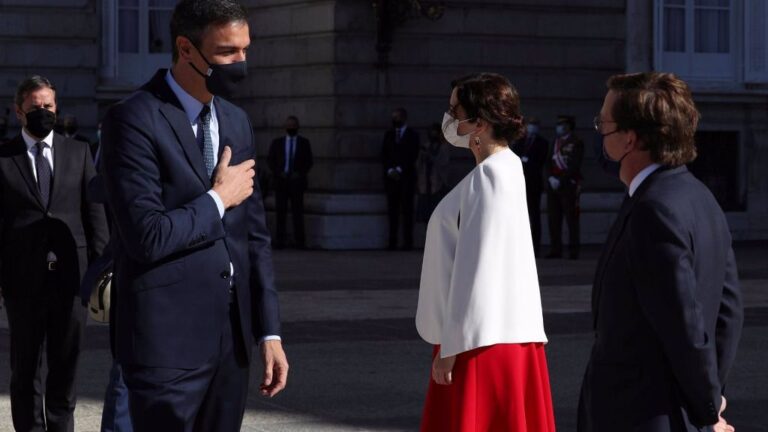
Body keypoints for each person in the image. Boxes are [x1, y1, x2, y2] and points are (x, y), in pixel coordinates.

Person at [100, 1, 288, 430]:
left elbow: (253, 238)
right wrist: (218, 199)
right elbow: (145, 235)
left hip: (231, 346)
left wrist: (269, 332)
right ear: (186, 49)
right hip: (165, 345)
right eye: (227, 52)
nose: (241, 62)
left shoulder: (236, 121)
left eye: (245, 49)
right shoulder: (131, 119)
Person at [578, 72, 744, 432]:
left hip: (642, 414)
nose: (598, 133)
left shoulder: (654, 210)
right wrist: (710, 396)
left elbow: (685, 326)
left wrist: (708, 409)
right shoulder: (700, 197)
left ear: (629, 139)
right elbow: (728, 315)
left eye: (602, 124)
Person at [416, 73, 555, 431]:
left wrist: (451, 347)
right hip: (491, 333)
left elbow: (478, 267)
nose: (448, 120)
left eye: (454, 111)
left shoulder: (491, 175)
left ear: (478, 123)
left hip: (479, 341)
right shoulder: (504, 168)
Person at [0, 75, 109, 432]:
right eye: (35, 107)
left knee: (65, 367)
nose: (43, 112)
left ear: (57, 107)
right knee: (25, 369)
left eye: (48, 106)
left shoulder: (78, 152)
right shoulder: (3, 158)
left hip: (71, 280)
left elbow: (94, 215)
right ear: (19, 111)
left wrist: (102, 271)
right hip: (23, 282)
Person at [267, 115, 313, 249]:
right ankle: (280, 240)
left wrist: (299, 173)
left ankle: (300, 241)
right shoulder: (277, 143)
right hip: (281, 182)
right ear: (285, 127)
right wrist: (278, 172)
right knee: (280, 212)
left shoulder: (304, 143)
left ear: (297, 127)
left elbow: (309, 161)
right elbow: (271, 160)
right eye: (289, 126)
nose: (291, 128)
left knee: (297, 213)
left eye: (293, 126)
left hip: (297, 182)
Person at [545, 114, 583, 259]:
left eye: (563, 124)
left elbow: (574, 165)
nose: (560, 127)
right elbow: (547, 162)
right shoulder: (554, 141)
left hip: (568, 185)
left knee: (571, 219)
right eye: (558, 124)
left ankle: (573, 250)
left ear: (569, 126)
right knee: (554, 219)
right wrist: (550, 177)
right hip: (553, 185)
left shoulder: (577, 142)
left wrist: (560, 179)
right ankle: (556, 249)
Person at [382, 107, 419, 250]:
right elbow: (384, 154)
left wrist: (399, 169)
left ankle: (408, 242)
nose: (395, 120)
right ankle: (392, 242)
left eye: (397, 117)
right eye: (393, 117)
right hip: (391, 180)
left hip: (407, 178)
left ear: (404, 118)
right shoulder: (389, 135)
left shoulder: (412, 135)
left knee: (407, 211)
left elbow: (412, 155)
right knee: (392, 211)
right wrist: (390, 169)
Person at [511, 116, 549, 256]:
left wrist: (528, 162)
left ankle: (535, 248)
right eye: (531, 124)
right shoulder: (520, 142)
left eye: (535, 124)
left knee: (534, 216)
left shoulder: (542, 143)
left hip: (533, 184)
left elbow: (540, 161)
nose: (532, 127)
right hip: (520, 184)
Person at [415, 123, 450, 222]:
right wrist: (421, 156)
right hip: (424, 186)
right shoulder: (426, 146)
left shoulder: (444, 147)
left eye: (434, 132)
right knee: (425, 216)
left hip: (437, 185)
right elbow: (418, 165)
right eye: (431, 132)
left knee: (437, 215)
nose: (432, 134)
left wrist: (430, 156)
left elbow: (443, 163)